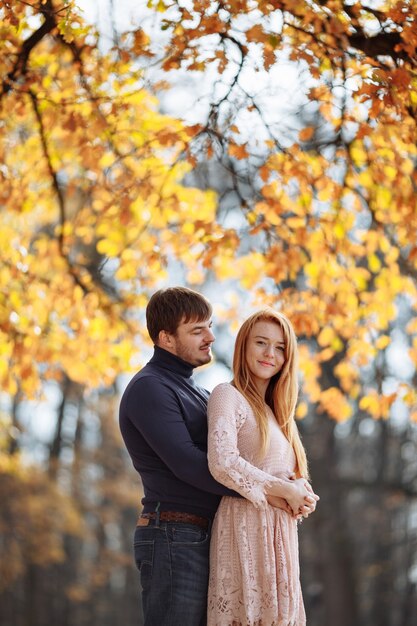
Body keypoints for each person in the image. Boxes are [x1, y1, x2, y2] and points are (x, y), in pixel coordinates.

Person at [119, 288, 316, 626]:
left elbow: (242, 457)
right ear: (166, 338)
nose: (211, 336)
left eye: (209, 326)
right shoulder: (150, 387)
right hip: (173, 532)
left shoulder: (198, 392)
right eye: (197, 330)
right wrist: (277, 492)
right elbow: (191, 465)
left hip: (204, 531)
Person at [207, 308, 319, 626]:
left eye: (280, 347)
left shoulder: (279, 415)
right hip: (245, 531)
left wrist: (302, 493)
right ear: (244, 345)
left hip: (281, 540)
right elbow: (222, 461)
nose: (271, 353)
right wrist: (284, 490)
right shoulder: (227, 396)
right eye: (261, 342)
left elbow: (285, 473)